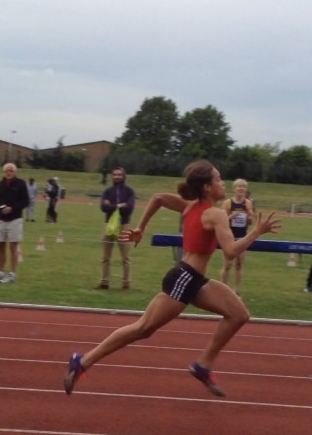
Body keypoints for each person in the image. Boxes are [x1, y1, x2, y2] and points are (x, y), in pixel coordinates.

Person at [64, 160, 281, 398]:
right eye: (218, 179)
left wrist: (140, 228)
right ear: (207, 187)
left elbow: (158, 198)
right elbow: (230, 251)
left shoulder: (188, 206)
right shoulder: (216, 214)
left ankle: (203, 365)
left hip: (194, 280)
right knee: (142, 328)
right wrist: (256, 232)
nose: (223, 184)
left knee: (239, 314)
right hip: (184, 279)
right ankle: (82, 361)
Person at [0, 162, 29, 284]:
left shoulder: (21, 184)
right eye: (7, 171)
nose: (9, 173)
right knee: (0, 246)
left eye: (11, 171)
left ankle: (12, 274)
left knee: (13, 247)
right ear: (4, 172)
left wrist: (12, 208)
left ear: (15, 172)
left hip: (14, 219)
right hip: (0, 219)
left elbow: (25, 201)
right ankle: (0, 272)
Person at [96, 166, 136, 290]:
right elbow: (103, 207)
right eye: (114, 175)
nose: (117, 177)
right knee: (105, 257)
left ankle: (126, 283)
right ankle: (104, 282)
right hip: (109, 225)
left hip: (123, 225)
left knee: (125, 257)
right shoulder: (108, 191)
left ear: (124, 176)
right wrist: (119, 205)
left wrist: (112, 205)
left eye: (119, 174)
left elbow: (129, 208)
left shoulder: (129, 191)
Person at [219, 178, 255, 296]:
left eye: (243, 187)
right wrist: (232, 216)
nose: (241, 189)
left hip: (242, 236)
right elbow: (221, 220)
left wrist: (250, 218)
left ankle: (236, 291)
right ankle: (223, 289)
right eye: (239, 186)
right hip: (228, 237)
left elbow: (250, 221)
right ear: (234, 189)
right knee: (227, 264)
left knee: (239, 264)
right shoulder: (228, 203)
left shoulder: (247, 203)